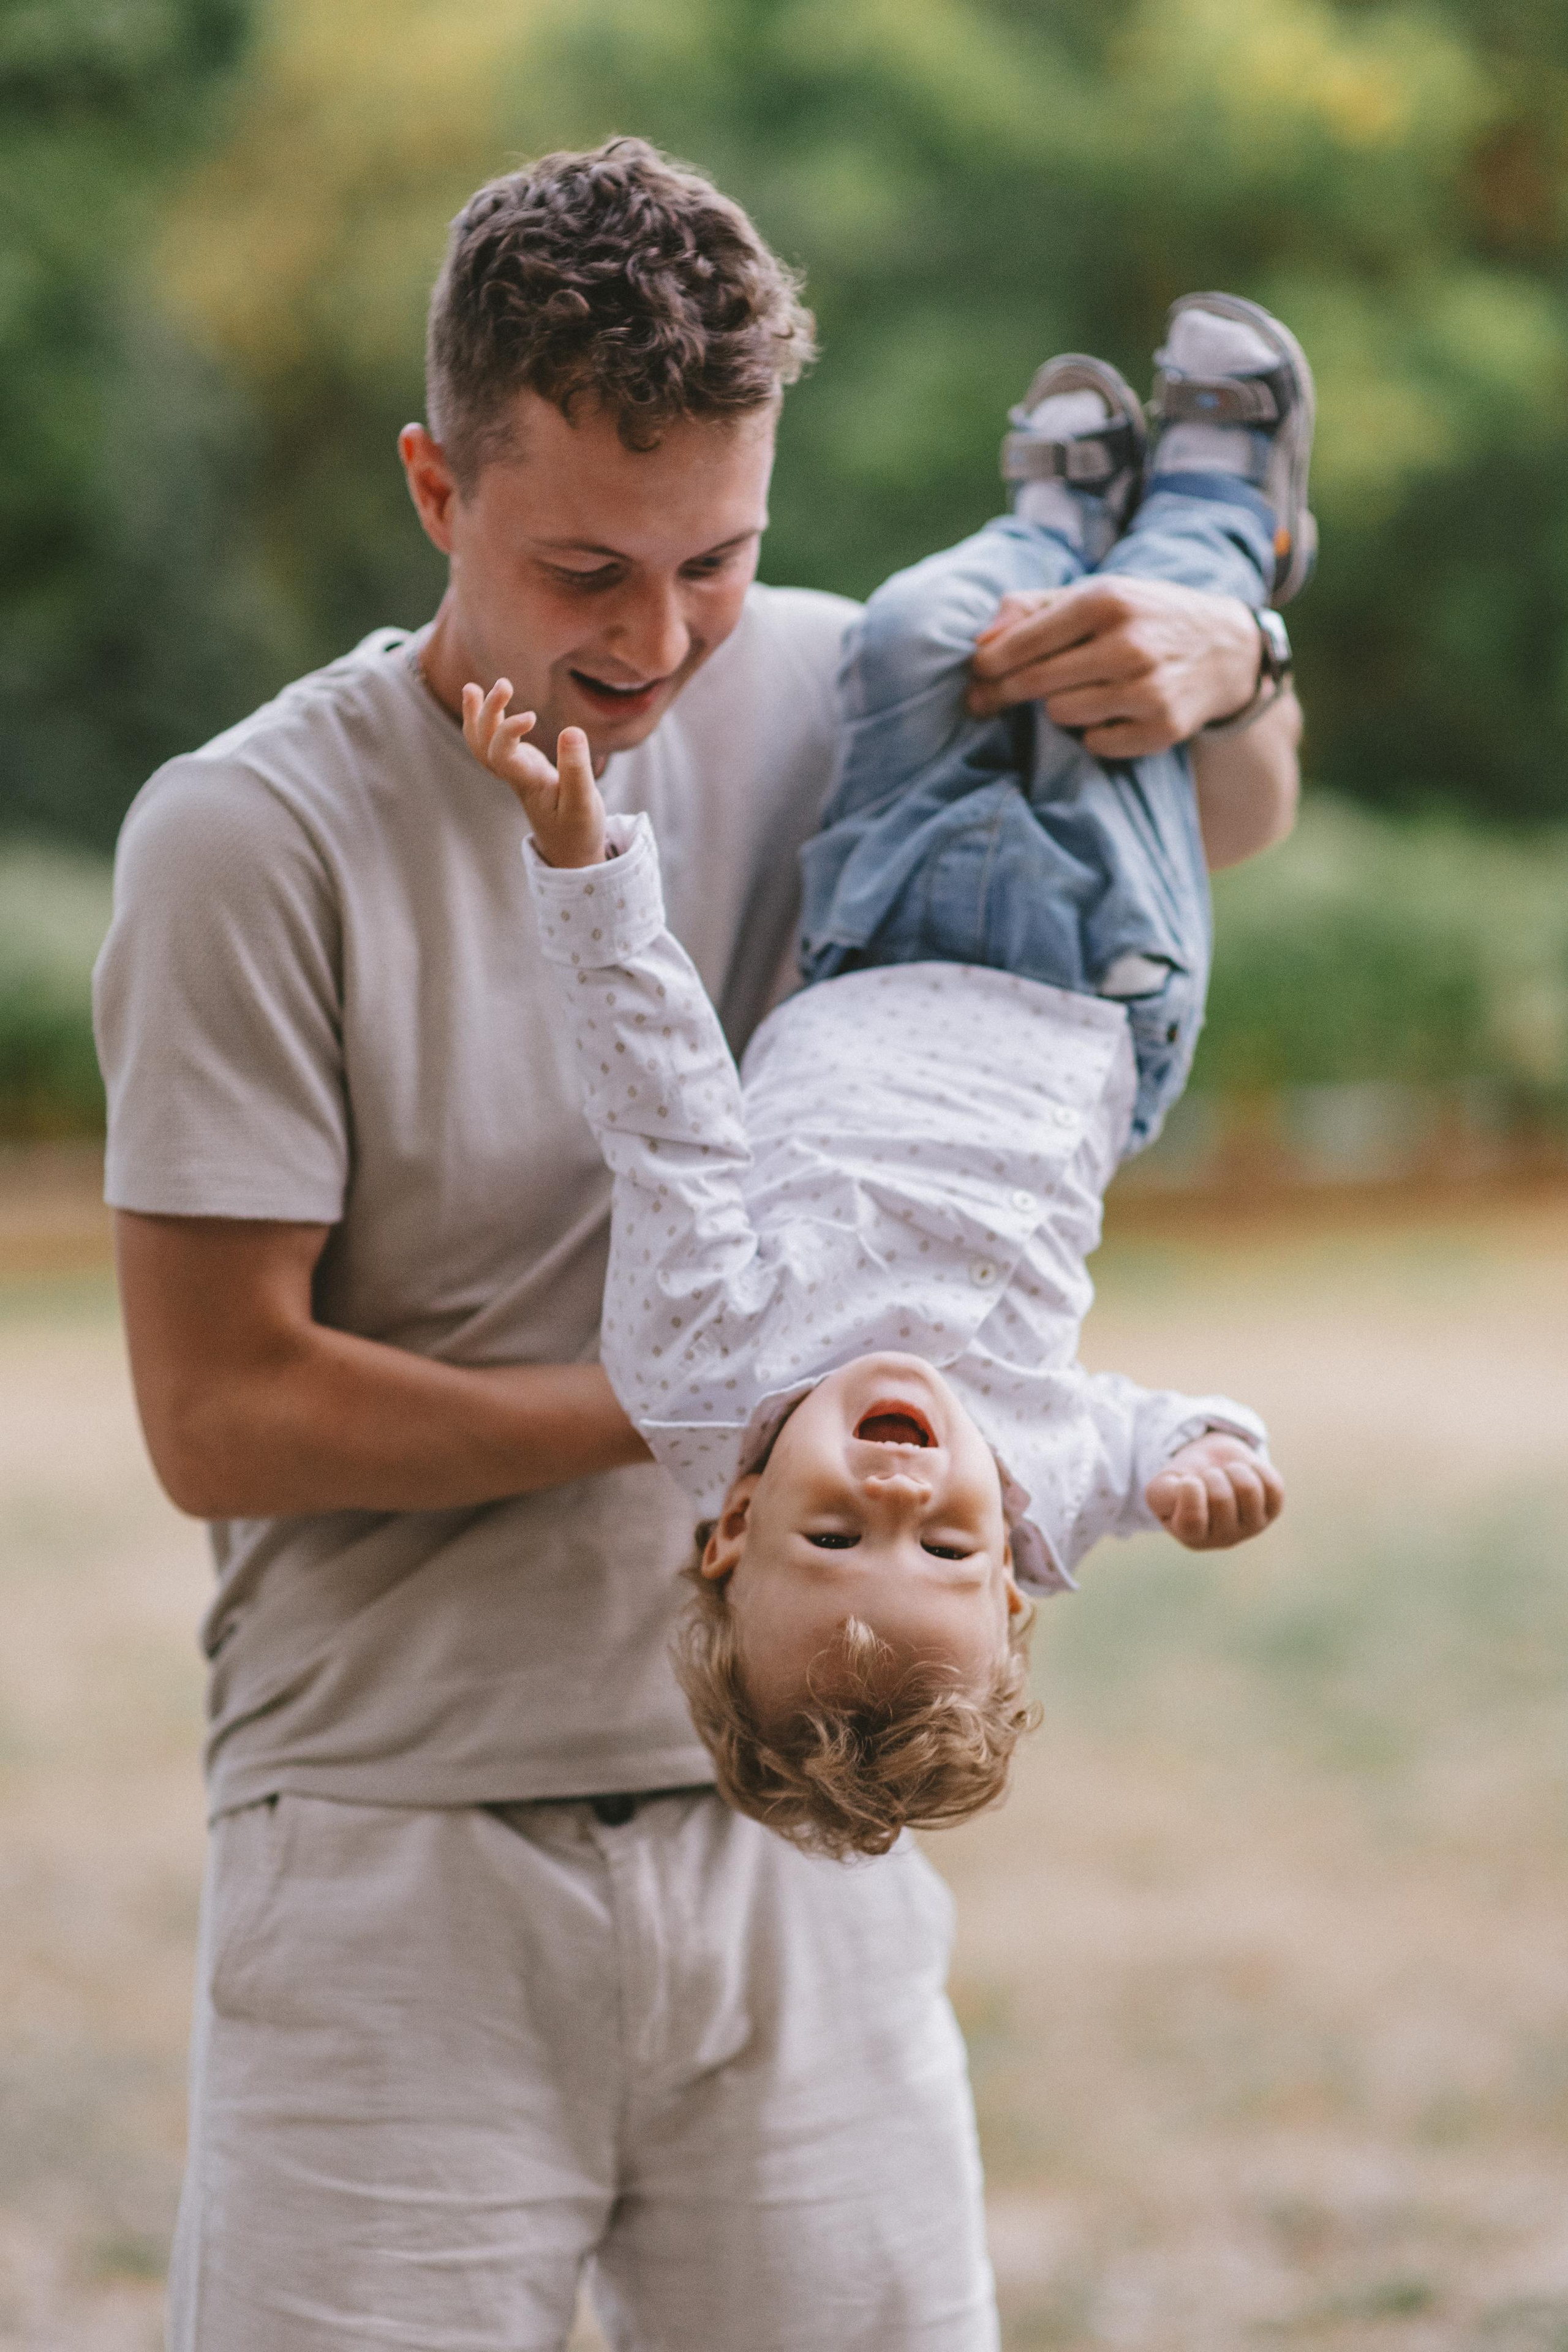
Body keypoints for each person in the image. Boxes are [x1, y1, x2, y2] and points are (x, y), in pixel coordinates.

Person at [94, 138, 1303, 2352]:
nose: (657, 643)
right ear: (435, 488)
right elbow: (220, 1410)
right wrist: (751, 1418)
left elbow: (1212, 818)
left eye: (717, 559)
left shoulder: (843, 684)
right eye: (585, 570)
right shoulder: (244, 840)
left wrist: (1233, 647)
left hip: (801, 1842)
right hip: (391, 1854)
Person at [461, 296, 1301, 1860]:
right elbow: (1158, 1428)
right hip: (1096, 976)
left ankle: (1050, 503)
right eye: (945, 1542)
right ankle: (1219, 490)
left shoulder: (699, 1370)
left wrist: (586, 876)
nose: (903, 1486)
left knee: (920, 629)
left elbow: (666, 1117)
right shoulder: (1050, 1474)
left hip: (875, 932)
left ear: (729, 1531)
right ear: (1014, 1567)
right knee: (1136, 636)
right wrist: (1210, 1458)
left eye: (835, 1531)